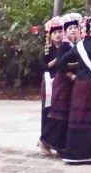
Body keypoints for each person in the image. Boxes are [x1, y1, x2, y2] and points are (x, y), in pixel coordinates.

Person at [56, 9, 91, 165]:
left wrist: (73, 75)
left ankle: (73, 154)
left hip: (79, 86)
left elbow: (60, 63)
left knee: (77, 119)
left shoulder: (78, 46)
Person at [46, 12, 82, 154]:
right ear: (65, 31)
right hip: (62, 83)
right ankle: (45, 141)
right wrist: (72, 75)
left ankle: (62, 145)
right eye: (70, 28)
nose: (73, 30)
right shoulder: (65, 46)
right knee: (57, 116)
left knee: (67, 116)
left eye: (75, 27)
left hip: (72, 85)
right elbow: (60, 65)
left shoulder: (78, 44)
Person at [38, 16, 63, 155]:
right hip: (49, 82)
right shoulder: (48, 50)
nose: (58, 35)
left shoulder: (66, 47)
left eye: (60, 32)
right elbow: (43, 66)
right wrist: (56, 61)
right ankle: (44, 141)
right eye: (55, 33)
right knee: (47, 112)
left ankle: (58, 144)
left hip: (62, 83)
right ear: (50, 35)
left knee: (59, 114)